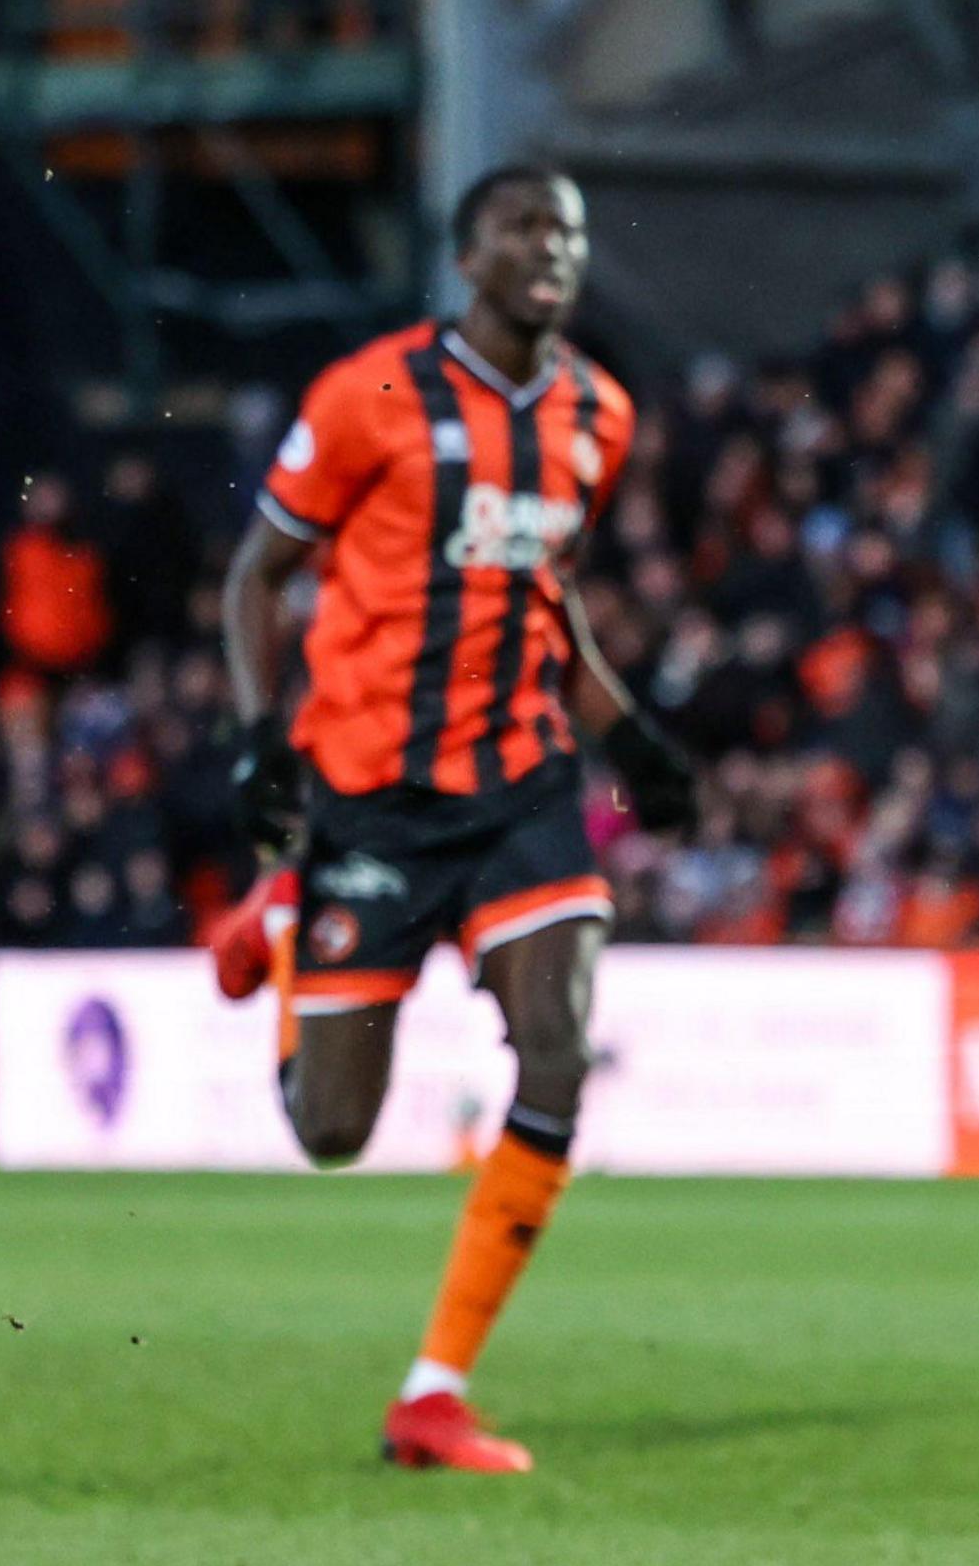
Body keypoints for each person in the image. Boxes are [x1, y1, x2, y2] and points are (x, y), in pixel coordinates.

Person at [205, 164, 700, 1472]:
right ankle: (288, 919)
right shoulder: (367, 396)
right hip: (372, 797)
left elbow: (547, 597)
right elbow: (258, 575)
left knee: (558, 1048)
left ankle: (433, 1393)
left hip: (522, 787)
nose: (551, 250)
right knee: (331, 1132)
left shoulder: (598, 415)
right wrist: (259, 738)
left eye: (568, 232)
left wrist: (630, 741)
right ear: (467, 258)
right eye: (523, 229)